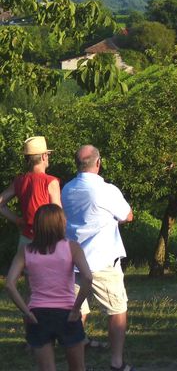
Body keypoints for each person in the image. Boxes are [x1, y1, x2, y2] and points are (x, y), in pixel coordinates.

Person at [61, 145, 134, 371]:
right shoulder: (107, 190)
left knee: (77, 312)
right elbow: (128, 215)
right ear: (98, 163)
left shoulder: (67, 189)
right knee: (116, 309)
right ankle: (116, 361)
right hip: (103, 261)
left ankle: (78, 364)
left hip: (73, 261)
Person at [5, 204, 92, 371]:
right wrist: (76, 309)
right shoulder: (72, 247)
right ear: (61, 223)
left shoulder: (26, 250)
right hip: (67, 314)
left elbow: (9, 284)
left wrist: (26, 312)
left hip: (37, 315)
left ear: (37, 225)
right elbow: (88, 278)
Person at [0, 136, 61, 245]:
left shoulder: (19, 181)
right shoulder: (51, 182)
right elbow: (58, 216)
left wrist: (18, 220)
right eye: (48, 155)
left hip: (25, 239)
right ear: (44, 156)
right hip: (46, 240)